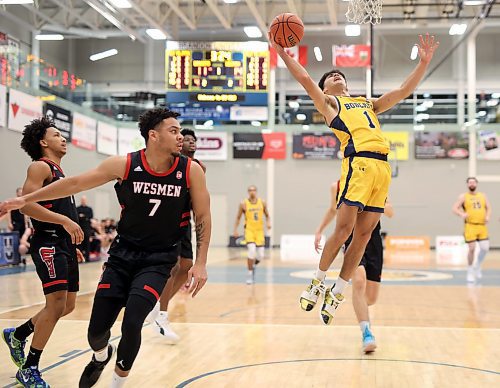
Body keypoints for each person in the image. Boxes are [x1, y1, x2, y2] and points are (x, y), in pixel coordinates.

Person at [0, 108, 211, 388]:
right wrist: (24, 200)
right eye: (173, 131)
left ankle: (116, 382)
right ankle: (100, 356)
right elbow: (73, 183)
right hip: (122, 256)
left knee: (132, 321)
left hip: (158, 260)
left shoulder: (190, 170)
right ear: (153, 136)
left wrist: (201, 261)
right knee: (96, 333)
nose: (180, 137)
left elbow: (203, 216)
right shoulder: (124, 164)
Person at [269, 32, 439, 324]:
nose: (336, 75)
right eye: (330, 76)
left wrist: (423, 64)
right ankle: (318, 281)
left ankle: (338, 290)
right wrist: (282, 53)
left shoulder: (366, 103)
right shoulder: (331, 105)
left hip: (382, 169)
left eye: (339, 74)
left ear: (347, 83)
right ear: (326, 89)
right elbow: (306, 79)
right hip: (358, 164)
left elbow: (400, 92)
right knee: (345, 229)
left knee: (364, 234)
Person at [1, 117, 84, 388]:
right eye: (57, 134)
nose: (63, 139)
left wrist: (71, 241)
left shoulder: (61, 173)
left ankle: (19, 334)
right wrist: (65, 222)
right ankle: (30, 367)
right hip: (47, 243)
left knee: (68, 305)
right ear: (43, 142)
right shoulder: (39, 166)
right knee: (56, 303)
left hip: (63, 244)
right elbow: (26, 206)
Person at [314, 181, 393, 353]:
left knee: (370, 298)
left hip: (373, 241)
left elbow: (391, 212)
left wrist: (377, 204)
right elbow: (333, 209)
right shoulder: (338, 185)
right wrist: (319, 230)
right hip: (352, 238)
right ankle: (366, 332)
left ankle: (352, 305)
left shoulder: (376, 178)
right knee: (358, 281)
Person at [149, 128, 207, 343]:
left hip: (185, 222)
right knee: (172, 267)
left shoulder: (199, 167)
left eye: (194, 140)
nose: (191, 142)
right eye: (187, 139)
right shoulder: (170, 161)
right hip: (166, 221)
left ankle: (157, 307)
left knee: (186, 269)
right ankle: (162, 316)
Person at [452, 177, 491, 283]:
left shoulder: (483, 196)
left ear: (477, 184)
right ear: (467, 184)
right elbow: (454, 208)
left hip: (482, 226)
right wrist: (461, 214)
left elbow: (488, 207)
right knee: (472, 248)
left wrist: (487, 216)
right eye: (470, 182)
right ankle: (470, 270)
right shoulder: (464, 197)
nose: (472, 184)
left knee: (485, 248)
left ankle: (477, 265)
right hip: (470, 226)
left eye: (473, 182)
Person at [233, 185, 271, 285]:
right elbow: (238, 217)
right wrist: (235, 229)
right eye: (250, 190)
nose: (252, 192)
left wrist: (268, 223)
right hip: (249, 230)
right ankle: (249, 275)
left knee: (260, 255)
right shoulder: (243, 204)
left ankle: (253, 265)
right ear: (248, 192)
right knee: (251, 251)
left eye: (253, 190)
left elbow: (267, 215)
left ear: (256, 191)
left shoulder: (262, 202)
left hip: (259, 231)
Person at [77, 195, 94, 262]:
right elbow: (77, 217)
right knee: (80, 244)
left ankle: (87, 258)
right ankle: (80, 258)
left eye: (84, 200)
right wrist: (84, 217)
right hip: (80, 228)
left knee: (87, 244)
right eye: (82, 200)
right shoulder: (78, 208)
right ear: (81, 200)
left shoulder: (89, 209)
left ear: (86, 201)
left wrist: (83, 216)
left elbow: (90, 217)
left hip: (87, 229)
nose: (83, 201)